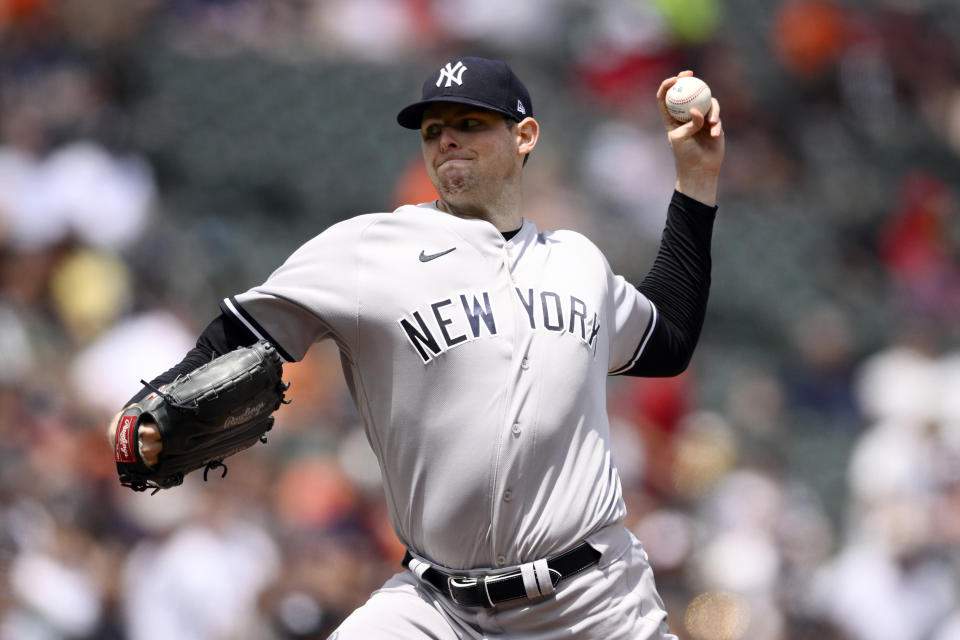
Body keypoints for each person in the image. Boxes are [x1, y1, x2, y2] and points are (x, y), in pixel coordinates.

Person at [109, 56, 724, 639]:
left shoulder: (578, 262)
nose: (446, 140)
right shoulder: (369, 249)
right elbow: (238, 335)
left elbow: (666, 340)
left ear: (525, 136)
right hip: (437, 609)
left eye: (470, 123)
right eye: (433, 130)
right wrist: (147, 408)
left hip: (593, 601)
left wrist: (695, 180)